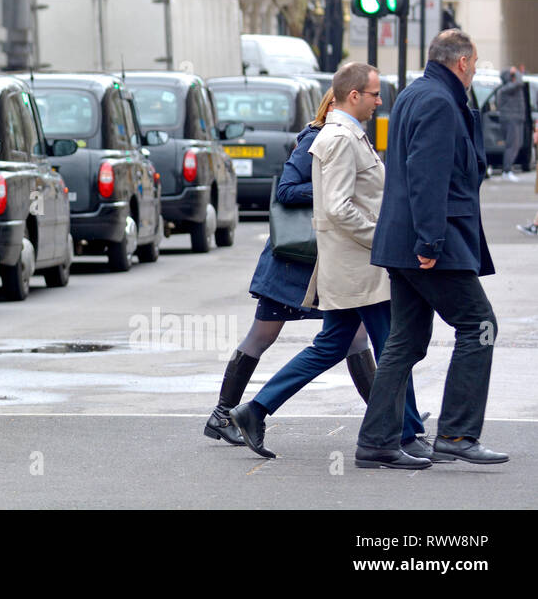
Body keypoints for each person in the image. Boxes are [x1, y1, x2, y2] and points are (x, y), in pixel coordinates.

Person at [229, 62, 425, 459]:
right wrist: (383, 239)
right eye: (373, 94)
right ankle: (405, 433)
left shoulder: (349, 134)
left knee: (334, 345)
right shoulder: (338, 138)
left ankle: (255, 409)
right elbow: (336, 208)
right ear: (354, 95)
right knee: (393, 346)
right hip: (359, 266)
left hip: (359, 266)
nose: (379, 101)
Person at [357, 29, 506, 468]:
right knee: (480, 326)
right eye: (474, 65)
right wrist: (430, 241)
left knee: (405, 340)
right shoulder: (440, 102)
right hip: (430, 245)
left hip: (403, 243)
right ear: (461, 63)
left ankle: (378, 441)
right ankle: (457, 434)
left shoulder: (412, 94)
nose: (475, 72)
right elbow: (426, 176)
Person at [203, 88, 381, 446]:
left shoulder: (348, 139)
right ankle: (222, 415)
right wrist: (328, 189)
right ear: (334, 104)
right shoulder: (315, 138)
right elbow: (285, 190)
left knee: (355, 336)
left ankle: (386, 412)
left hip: (317, 262)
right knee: (262, 335)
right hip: (291, 264)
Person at [494, 67, 527, 180]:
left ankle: (508, 169)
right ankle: (507, 171)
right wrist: (516, 72)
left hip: (514, 119)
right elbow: (519, 82)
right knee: (512, 145)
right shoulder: (508, 88)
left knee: (515, 145)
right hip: (512, 119)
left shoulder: (505, 89)